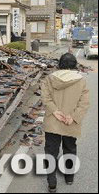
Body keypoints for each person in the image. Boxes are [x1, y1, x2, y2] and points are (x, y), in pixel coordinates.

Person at [41, 53, 90, 193]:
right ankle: (69, 177)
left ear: (59, 64)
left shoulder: (49, 79)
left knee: (51, 151)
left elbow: (45, 97)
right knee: (69, 149)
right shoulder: (81, 81)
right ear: (74, 65)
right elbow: (84, 103)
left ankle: (52, 183)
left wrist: (55, 111)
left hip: (53, 120)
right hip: (70, 122)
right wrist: (73, 117)